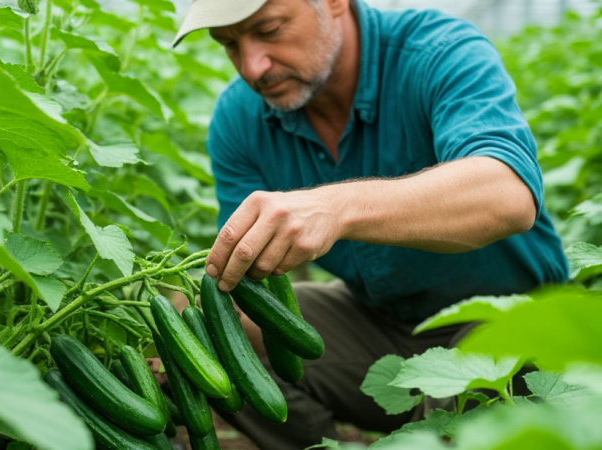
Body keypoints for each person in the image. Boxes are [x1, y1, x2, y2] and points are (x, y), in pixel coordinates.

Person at [168, 0, 570, 448]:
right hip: (382, 324)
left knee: (463, 393)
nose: (252, 66)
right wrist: (175, 333)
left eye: (270, 29)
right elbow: (248, 278)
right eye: (228, 44)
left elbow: (507, 196)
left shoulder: (438, 51)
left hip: (510, 320)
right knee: (217, 337)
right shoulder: (240, 117)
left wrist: (337, 208)